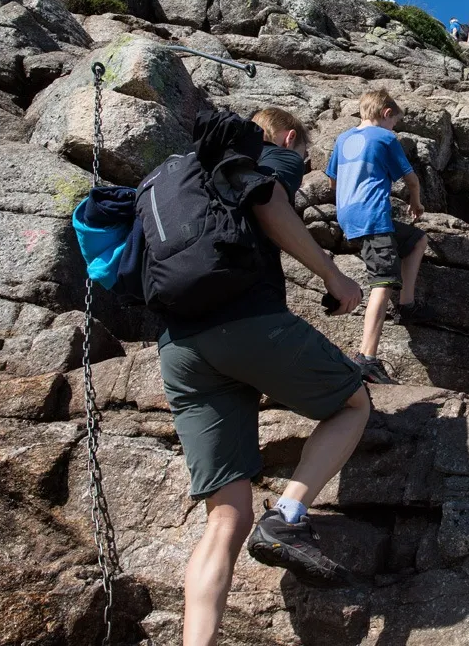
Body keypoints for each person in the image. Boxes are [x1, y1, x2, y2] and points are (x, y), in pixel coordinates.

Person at [158, 107, 371, 646]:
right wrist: (333, 275)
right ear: (290, 136)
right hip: (242, 321)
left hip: (178, 346)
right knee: (353, 405)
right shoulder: (265, 155)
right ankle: (287, 517)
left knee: (225, 518)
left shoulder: (166, 176)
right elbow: (270, 200)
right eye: (304, 154)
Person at [326, 89, 429, 385]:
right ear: (386, 114)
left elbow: (332, 179)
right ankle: (366, 358)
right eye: (394, 121)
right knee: (382, 281)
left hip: (349, 215)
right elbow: (411, 178)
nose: (394, 127)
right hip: (373, 215)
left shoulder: (343, 138)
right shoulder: (385, 138)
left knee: (416, 240)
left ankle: (406, 305)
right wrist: (416, 202)